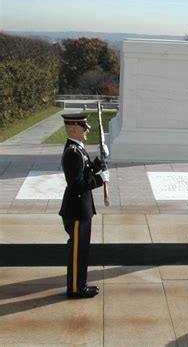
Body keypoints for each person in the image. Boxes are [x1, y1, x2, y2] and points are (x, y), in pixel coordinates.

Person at [59, 113, 109, 298]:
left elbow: (84, 170)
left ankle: (80, 285)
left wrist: (98, 164)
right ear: (72, 128)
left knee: (82, 251)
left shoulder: (77, 149)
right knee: (77, 253)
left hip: (81, 208)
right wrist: (99, 179)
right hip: (77, 209)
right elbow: (77, 184)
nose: (87, 130)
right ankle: (75, 289)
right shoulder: (72, 153)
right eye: (83, 127)